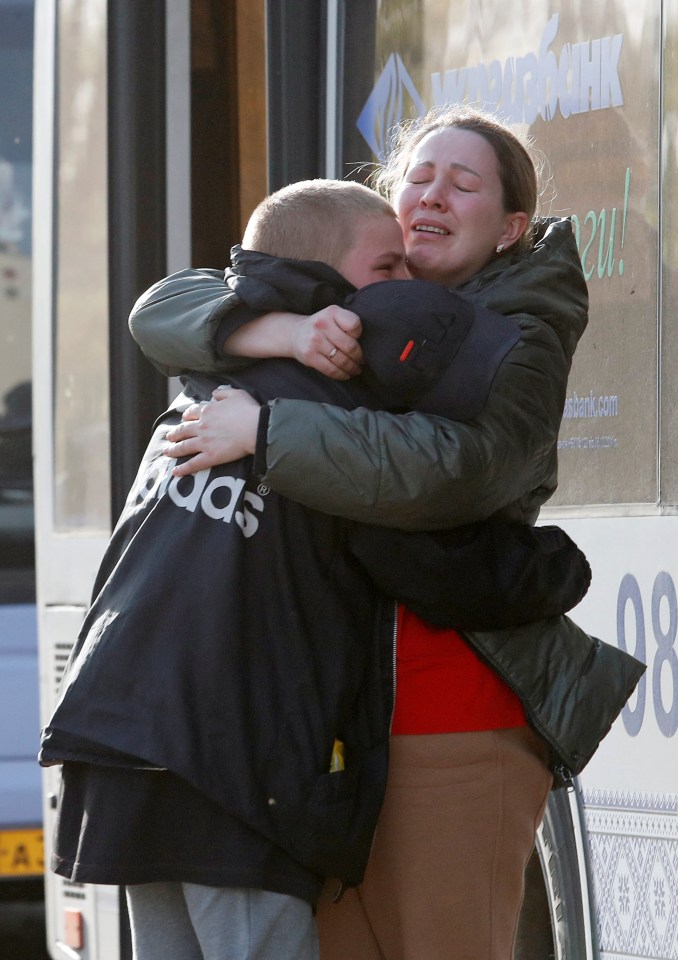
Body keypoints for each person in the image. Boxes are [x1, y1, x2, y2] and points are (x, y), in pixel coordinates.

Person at [38, 177, 612, 960]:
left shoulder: (212, 379)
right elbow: (436, 562)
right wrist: (558, 570)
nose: (405, 283)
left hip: (118, 740)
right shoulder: (324, 415)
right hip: (228, 757)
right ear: (326, 287)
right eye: (387, 270)